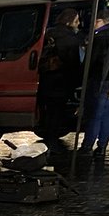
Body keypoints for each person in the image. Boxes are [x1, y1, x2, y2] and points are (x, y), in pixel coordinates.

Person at [37, 8, 83, 140]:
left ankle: (48, 137)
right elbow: (72, 62)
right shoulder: (70, 39)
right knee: (57, 112)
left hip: (47, 78)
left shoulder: (49, 33)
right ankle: (51, 141)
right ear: (69, 22)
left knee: (48, 111)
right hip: (61, 80)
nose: (78, 24)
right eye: (76, 21)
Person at [78, 12, 109, 158]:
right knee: (106, 114)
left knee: (96, 114)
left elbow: (91, 62)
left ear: (100, 21)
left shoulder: (99, 38)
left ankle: (87, 146)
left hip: (100, 79)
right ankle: (102, 146)